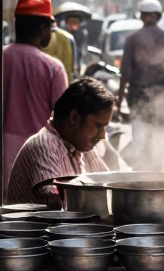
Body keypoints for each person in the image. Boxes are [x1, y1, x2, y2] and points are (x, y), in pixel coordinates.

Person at [7, 77, 115, 205]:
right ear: (74, 117)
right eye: (98, 126)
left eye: (104, 128)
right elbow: (61, 204)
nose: (102, 135)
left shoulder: (83, 147)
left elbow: (110, 184)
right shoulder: (44, 147)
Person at [2, 0, 69, 185]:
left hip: (0, 150)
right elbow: (62, 118)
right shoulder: (53, 67)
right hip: (40, 151)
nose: (51, 34)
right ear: (42, 29)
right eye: (51, 29)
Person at [115, 0, 164, 171]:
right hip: (161, 95)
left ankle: (140, 175)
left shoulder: (133, 39)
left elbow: (125, 73)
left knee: (140, 135)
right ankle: (157, 174)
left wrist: (119, 101)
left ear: (142, 16)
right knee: (158, 135)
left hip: (138, 95)